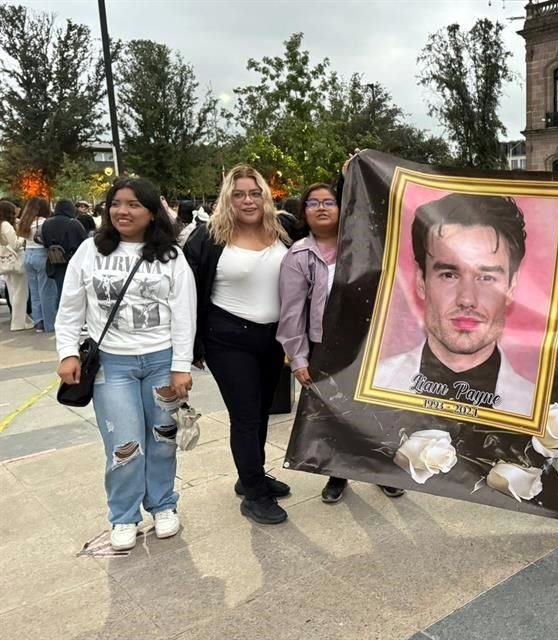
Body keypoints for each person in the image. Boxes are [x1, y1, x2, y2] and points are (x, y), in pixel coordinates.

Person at [55, 177, 196, 551]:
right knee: (124, 443)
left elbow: (184, 314)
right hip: (111, 366)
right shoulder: (89, 251)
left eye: (134, 204)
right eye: (116, 203)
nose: (123, 211)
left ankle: (163, 504)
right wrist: (67, 351)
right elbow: (69, 307)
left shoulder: (171, 256)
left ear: (152, 212)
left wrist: (181, 365)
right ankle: (123, 515)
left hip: (161, 361)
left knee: (163, 438)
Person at [277, 182, 404, 504]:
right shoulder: (299, 255)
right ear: (303, 212)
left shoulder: (365, 247)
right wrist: (299, 358)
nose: (321, 207)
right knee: (335, 413)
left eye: (329, 202)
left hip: (369, 343)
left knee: (377, 411)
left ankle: (382, 469)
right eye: (313, 203)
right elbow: (292, 312)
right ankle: (338, 474)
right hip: (326, 348)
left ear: (342, 208)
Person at [185, 164, 296, 526]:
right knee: (246, 414)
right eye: (238, 194)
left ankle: (251, 474)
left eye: (254, 193)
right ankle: (254, 493)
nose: (247, 200)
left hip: (272, 338)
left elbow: (335, 221)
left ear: (265, 196)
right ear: (227, 199)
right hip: (228, 338)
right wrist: (189, 347)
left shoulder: (283, 229)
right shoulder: (208, 236)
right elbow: (186, 291)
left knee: (262, 410)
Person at [373, 193, 536, 416]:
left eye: (486, 277)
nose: (467, 299)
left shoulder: (538, 409)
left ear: (511, 287)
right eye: (449, 275)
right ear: (421, 282)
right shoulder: (374, 383)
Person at [16, 197, 58, 332]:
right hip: (42, 255)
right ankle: (49, 324)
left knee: (34, 291)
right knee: (46, 291)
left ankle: (38, 322)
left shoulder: (25, 222)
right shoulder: (44, 222)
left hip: (28, 254)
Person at [41, 199, 88, 305]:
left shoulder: (46, 223)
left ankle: (59, 314)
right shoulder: (74, 223)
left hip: (55, 261)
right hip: (72, 261)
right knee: (73, 293)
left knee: (60, 291)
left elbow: (44, 242)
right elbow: (84, 242)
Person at [0, 201, 31, 330]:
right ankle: (19, 323)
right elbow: (14, 244)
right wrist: (23, 237)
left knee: (13, 292)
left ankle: (20, 320)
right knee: (20, 293)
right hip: (16, 260)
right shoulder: (6, 225)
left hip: (5, 261)